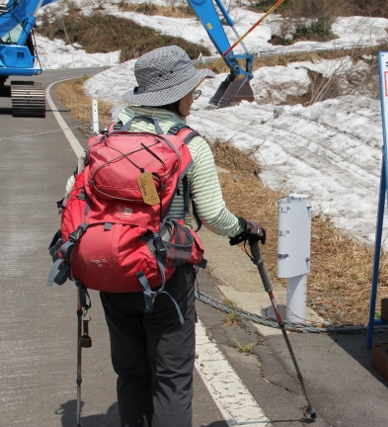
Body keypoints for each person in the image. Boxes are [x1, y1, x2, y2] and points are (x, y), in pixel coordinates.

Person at [79, 45, 265, 427]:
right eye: (192, 92)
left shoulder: (107, 139)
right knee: (171, 379)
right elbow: (213, 215)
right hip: (166, 273)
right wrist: (244, 228)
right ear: (177, 96)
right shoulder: (189, 143)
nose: (194, 99)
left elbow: (76, 196)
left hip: (113, 267)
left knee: (131, 373)